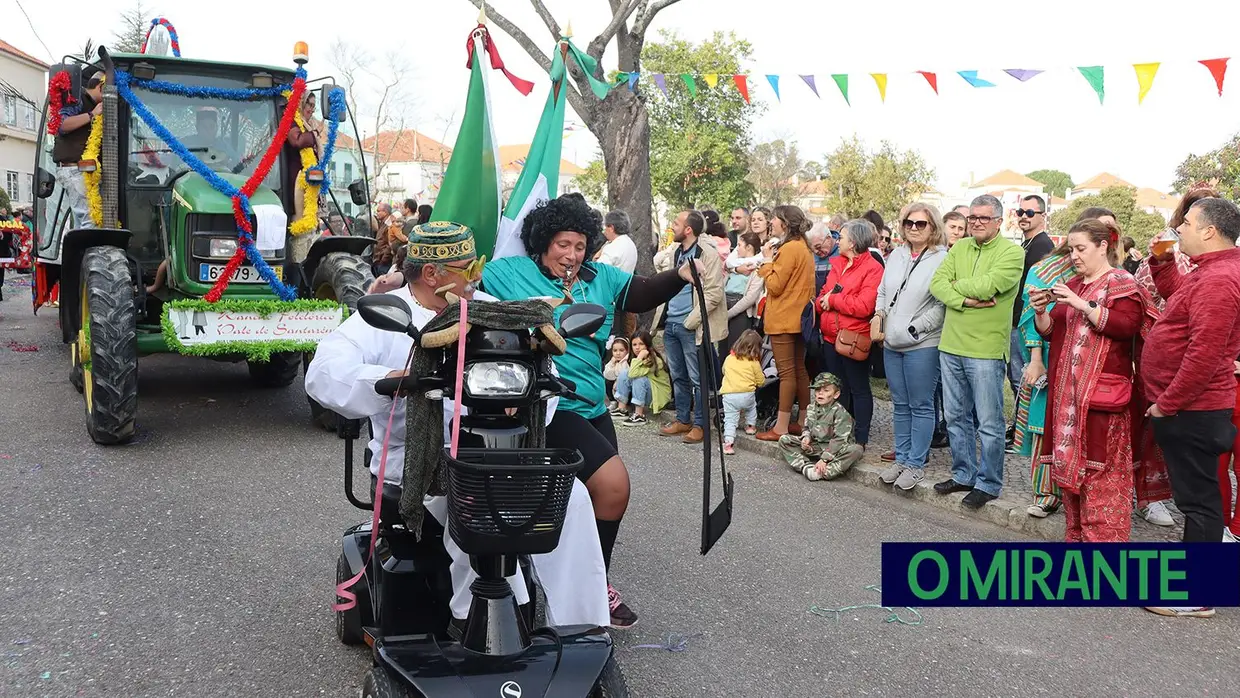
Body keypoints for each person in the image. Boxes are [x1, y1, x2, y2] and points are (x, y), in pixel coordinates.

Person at [305, 221, 609, 632]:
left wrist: (528, 396)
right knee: (472, 507)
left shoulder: (491, 312)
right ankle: (474, 627)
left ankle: (582, 632)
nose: (477, 276)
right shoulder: (387, 314)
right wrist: (393, 379)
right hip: (418, 463)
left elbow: (545, 383)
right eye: (470, 267)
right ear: (433, 274)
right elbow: (323, 374)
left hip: (501, 453)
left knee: (570, 499)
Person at [481, 193, 705, 628]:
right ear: (543, 242)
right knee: (613, 486)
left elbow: (639, 294)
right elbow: (474, 306)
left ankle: (592, 582)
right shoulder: (508, 273)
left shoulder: (598, 277)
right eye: (563, 244)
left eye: (580, 245)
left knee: (595, 500)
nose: (572, 254)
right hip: (544, 404)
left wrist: (681, 274)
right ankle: (562, 585)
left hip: (592, 404)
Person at [1030, 218, 1157, 543]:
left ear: (1103, 246)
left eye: (1081, 248)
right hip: (1068, 404)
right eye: (1071, 248)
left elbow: (1127, 326)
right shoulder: (1073, 283)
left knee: (1103, 490)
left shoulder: (1121, 284)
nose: (1073, 255)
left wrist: (1083, 306)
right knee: (1074, 492)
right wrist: (1041, 311)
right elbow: (1054, 330)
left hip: (1103, 406)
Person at [1143, 198, 1240, 544]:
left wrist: (1167, 404)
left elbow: (1205, 355)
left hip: (1193, 410)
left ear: (1209, 231)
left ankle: (1197, 596)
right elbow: (1179, 294)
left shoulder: (1219, 278)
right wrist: (1163, 260)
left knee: (1199, 503)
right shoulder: (1210, 270)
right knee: (1197, 500)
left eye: (1187, 223)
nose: (1179, 228)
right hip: (1190, 407)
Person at [929, 194, 1025, 508]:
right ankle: (963, 475)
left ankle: (988, 483)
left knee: (989, 422)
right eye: (973, 217)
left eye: (984, 218)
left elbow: (990, 285)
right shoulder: (959, 248)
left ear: (999, 221)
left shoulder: (1012, 253)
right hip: (951, 345)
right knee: (955, 417)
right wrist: (965, 299)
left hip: (985, 350)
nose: (977, 223)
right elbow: (937, 285)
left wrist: (958, 287)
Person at [874, 203, 949, 491]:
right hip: (891, 341)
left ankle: (916, 463)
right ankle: (902, 458)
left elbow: (941, 304)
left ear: (933, 227)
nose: (914, 228)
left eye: (921, 223)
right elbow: (883, 290)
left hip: (922, 344)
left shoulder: (943, 258)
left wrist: (916, 328)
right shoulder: (897, 255)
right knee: (900, 404)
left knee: (920, 404)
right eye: (909, 223)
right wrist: (880, 315)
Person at [654, 209, 728, 445]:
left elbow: (714, 293)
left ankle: (700, 425)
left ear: (688, 229)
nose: (671, 227)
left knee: (699, 379)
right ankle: (683, 420)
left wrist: (691, 321)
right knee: (678, 376)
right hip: (672, 324)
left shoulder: (708, 253)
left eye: (676, 223)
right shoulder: (676, 251)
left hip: (691, 326)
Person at [815, 218, 884, 449]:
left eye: (841, 237)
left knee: (858, 388)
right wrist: (822, 302)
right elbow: (823, 294)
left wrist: (832, 300)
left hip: (854, 338)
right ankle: (840, 434)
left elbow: (865, 305)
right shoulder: (837, 263)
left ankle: (861, 438)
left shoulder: (872, 268)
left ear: (852, 242)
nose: (838, 240)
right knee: (837, 389)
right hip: (829, 337)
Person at [753, 205, 816, 441]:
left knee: (787, 373)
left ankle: (780, 426)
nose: (772, 223)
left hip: (784, 319)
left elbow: (775, 285)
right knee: (800, 371)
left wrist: (767, 263)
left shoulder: (789, 249)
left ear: (785, 224)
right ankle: (803, 422)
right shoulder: (804, 248)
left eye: (775, 220)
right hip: (799, 319)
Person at [1006, 195, 1056, 449]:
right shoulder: (1027, 244)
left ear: (1043, 216)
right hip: (1016, 320)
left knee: (1022, 377)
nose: (1024, 216)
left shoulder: (1043, 246)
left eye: (1030, 212)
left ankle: (1021, 430)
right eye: (1020, 212)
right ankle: (1017, 426)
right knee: (1016, 376)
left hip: (1027, 323)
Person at [777, 373, 865, 481]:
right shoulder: (811, 408)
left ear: (836, 394)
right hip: (817, 446)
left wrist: (824, 459)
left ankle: (825, 472)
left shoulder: (840, 413)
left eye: (826, 390)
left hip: (835, 450)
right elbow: (806, 428)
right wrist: (806, 438)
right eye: (817, 390)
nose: (820, 393)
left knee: (856, 450)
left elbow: (839, 440)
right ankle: (805, 466)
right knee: (784, 439)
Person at [52, 69, 104, 229]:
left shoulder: (95, 105)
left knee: (87, 221)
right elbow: (62, 125)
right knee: (90, 221)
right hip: (75, 169)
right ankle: (90, 253)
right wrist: (91, 115)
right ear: (101, 87)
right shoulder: (77, 99)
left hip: (86, 171)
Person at [720, 329, 765, 455]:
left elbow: (724, 371)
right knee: (751, 409)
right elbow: (760, 380)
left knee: (730, 419)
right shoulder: (754, 362)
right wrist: (760, 382)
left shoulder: (729, 358)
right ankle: (750, 426)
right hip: (747, 394)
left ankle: (728, 443)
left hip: (730, 395)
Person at [721, 232, 765, 358]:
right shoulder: (736, 265)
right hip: (725, 304)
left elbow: (750, 297)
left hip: (740, 310)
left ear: (749, 248)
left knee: (735, 351)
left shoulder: (757, 268)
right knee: (722, 351)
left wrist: (730, 313)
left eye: (739, 245)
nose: (737, 249)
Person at [621, 331, 671, 426]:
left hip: (657, 396)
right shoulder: (635, 359)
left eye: (641, 344)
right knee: (624, 373)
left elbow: (632, 374)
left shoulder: (654, 361)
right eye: (634, 344)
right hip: (647, 392)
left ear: (647, 346)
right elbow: (627, 374)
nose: (637, 347)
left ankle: (639, 415)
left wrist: (639, 357)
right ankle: (621, 409)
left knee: (639, 379)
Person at [604, 338, 632, 414]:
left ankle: (625, 405)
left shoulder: (627, 362)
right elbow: (607, 374)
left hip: (626, 393)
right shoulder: (613, 361)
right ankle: (613, 401)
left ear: (627, 351)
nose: (618, 353)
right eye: (615, 350)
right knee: (607, 380)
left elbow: (626, 375)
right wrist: (612, 363)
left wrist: (617, 381)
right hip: (615, 391)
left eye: (621, 350)